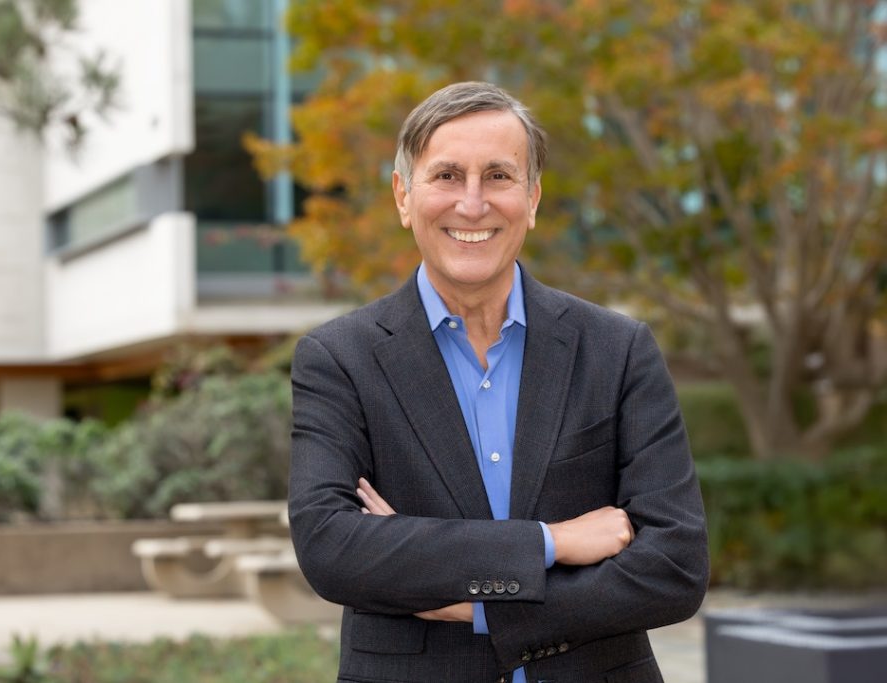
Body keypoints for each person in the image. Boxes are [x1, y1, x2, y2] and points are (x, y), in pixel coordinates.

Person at [288, 81, 709, 683]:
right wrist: (552, 543)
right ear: (404, 197)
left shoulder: (618, 350)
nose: (473, 203)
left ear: (532, 199)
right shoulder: (339, 359)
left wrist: (482, 609)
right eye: (447, 176)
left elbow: (675, 567)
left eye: (499, 177)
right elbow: (331, 549)